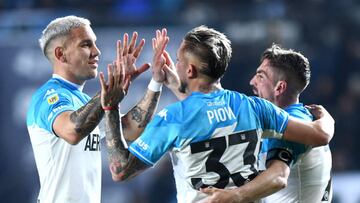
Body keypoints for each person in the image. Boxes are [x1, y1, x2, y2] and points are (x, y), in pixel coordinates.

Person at [100, 26, 334, 203]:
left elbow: (121, 170)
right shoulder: (254, 107)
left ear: (190, 70)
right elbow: (319, 135)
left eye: (179, 60)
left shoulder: (172, 118)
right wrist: (328, 118)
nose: (177, 64)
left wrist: (111, 107)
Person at [26, 15, 163, 203]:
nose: (96, 52)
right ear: (61, 54)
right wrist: (107, 95)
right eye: (85, 45)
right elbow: (72, 131)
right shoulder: (47, 96)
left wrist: (156, 83)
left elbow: (129, 130)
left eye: (95, 44)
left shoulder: (83, 100)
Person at [198, 45, 333, 203]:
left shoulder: (294, 124)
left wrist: (233, 196)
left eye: (260, 76)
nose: (252, 81)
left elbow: (278, 177)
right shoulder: (289, 122)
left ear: (279, 87)